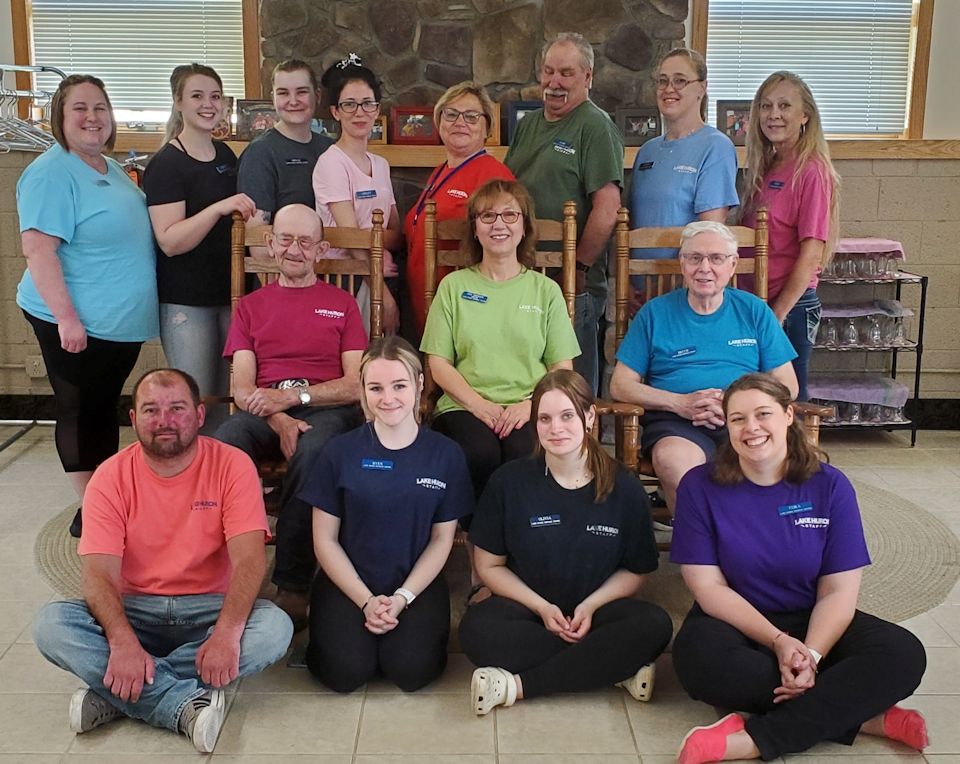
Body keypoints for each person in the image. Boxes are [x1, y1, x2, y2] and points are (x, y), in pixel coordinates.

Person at [670, 373, 927, 764]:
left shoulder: (830, 485)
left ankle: (751, 740)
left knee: (903, 654)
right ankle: (864, 718)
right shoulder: (699, 485)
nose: (751, 428)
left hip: (813, 618)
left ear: (788, 415)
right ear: (727, 426)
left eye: (763, 414)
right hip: (734, 620)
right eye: (738, 419)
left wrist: (811, 654)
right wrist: (778, 642)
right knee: (700, 664)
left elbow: (839, 592)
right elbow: (708, 589)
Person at [33, 369, 293, 753]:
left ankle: (117, 693)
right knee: (50, 625)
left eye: (177, 408)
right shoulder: (109, 477)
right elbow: (98, 574)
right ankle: (181, 702)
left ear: (200, 415)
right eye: (151, 410)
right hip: (134, 612)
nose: (165, 421)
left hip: (209, 610)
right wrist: (121, 642)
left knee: (274, 629)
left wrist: (225, 634)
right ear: (134, 419)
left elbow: (250, 560)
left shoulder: (233, 465)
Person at [458, 369, 672, 714]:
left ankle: (516, 686)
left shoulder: (624, 486)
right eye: (544, 418)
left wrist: (589, 607)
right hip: (529, 611)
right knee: (476, 630)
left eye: (567, 415)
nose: (555, 428)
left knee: (654, 625)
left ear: (589, 417)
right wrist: (542, 608)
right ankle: (612, 667)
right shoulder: (509, 482)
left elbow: (635, 572)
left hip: (598, 611)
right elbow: (488, 566)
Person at [16, 74, 159, 538]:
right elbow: (38, 249)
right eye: (80, 108)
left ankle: (100, 502)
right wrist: (67, 318)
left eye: (100, 107)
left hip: (116, 324)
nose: (92, 117)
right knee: (80, 408)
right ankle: (94, 514)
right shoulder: (51, 171)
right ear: (60, 116)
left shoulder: (107, 166)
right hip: (77, 320)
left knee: (100, 409)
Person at [214, 204, 366, 629]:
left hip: (327, 411)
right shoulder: (250, 306)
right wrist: (278, 415)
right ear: (270, 243)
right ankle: (224, 568)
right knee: (225, 444)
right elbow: (242, 387)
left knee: (313, 450)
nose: (294, 249)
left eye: (305, 241)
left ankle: (293, 583)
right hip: (264, 410)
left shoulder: (343, 304)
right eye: (286, 239)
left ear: (321, 249)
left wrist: (292, 400)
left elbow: (354, 384)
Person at [302, 336, 473, 691]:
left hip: (414, 583)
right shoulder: (340, 452)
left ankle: (393, 639)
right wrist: (365, 601)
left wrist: (402, 598)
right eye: (376, 387)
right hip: (349, 581)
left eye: (399, 385)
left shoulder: (446, 455)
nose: (388, 398)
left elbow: (443, 539)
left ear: (419, 384)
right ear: (363, 391)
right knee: (345, 673)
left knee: (411, 672)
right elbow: (325, 540)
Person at [609, 221, 798, 523]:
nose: (704, 268)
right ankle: (701, 552)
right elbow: (621, 385)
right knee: (673, 462)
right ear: (682, 263)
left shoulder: (754, 310)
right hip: (677, 421)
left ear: (733, 264)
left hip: (746, 417)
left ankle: (754, 542)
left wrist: (734, 406)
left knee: (774, 457)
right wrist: (679, 403)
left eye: (716, 258)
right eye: (694, 258)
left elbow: (788, 384)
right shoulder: (654, 314)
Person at [420, 178, 580, 514]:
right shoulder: (453, 286)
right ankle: (483, 544)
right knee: (479, 452)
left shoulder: (545, 291)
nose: (499, 225)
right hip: (463, 407)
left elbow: (561, 368)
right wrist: (480, 406)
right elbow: (438, 363)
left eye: (510, 215)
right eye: (487, 216)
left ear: (524, 227)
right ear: (474, 228)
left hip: (529, 408)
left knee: (527, 453)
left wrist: (529, 406)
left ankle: (520, 544)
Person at [505, 32, 623, 394]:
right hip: (526, 276)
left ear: (587, 77)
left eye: (566, 73)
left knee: (573, 389)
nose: (554, 82)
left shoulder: (596, 126)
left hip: (573, 283)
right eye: (548, 71)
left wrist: (579, 269)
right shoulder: (528, 125)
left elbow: (607, 208)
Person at [143, 63, 256, 432]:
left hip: (232, 295)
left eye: (215, 96)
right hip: (186, 302)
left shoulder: (225, 156)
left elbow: (240, 219)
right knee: (193, 397)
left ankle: (221, 477)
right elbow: (170, 241)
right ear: (178, 103)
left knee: (228, 398)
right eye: (197, 96)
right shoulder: (165, 164)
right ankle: (189, 481)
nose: (208, 105)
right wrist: (219, 208)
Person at [741, 72, 840, 402]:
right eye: (766, 105)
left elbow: (812, 253)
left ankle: (802, 457)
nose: (774, 114)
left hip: (788, 307)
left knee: (789, 403)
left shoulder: (811, 170)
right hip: (756, 303)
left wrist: (778, 313)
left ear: (805, 115)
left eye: (785, 105)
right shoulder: (766, 165)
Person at [402, 81, 515, 335]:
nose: (460, 122)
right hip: (425, 307)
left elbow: (505, 250)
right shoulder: (440, 172)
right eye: (451, 114)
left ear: (487, 126)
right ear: (439, 122)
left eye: (472, 116)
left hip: (466, 312)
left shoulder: (494, 176)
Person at [313, 54, 402, 333]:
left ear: (377, 109)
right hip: (343, 281)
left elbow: (396, 232)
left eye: (366, 103)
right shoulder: (331, 163)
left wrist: (376, 246)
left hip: (376, 274)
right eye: (349, 104)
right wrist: (382, 295)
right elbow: (350, 238)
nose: (359, 112)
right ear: (336, 111)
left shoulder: (381, 165)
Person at [628, 48, 739, 264]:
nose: (669, 89)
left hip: (685, 286)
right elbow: (630, 226)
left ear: (702, 88)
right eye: (662, 81)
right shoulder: (647, 151)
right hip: (637, 284)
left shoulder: (716, 147)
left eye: (680, 81)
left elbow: (710, 234)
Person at [238, 59, 334, 227]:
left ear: (317, 96)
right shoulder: (260, 153)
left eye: (301, 92)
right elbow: (257, 242)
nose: (293, 100)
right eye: (283, 93)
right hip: (284, 253)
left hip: (333, 249)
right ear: (273, 98)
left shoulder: (331, 148)